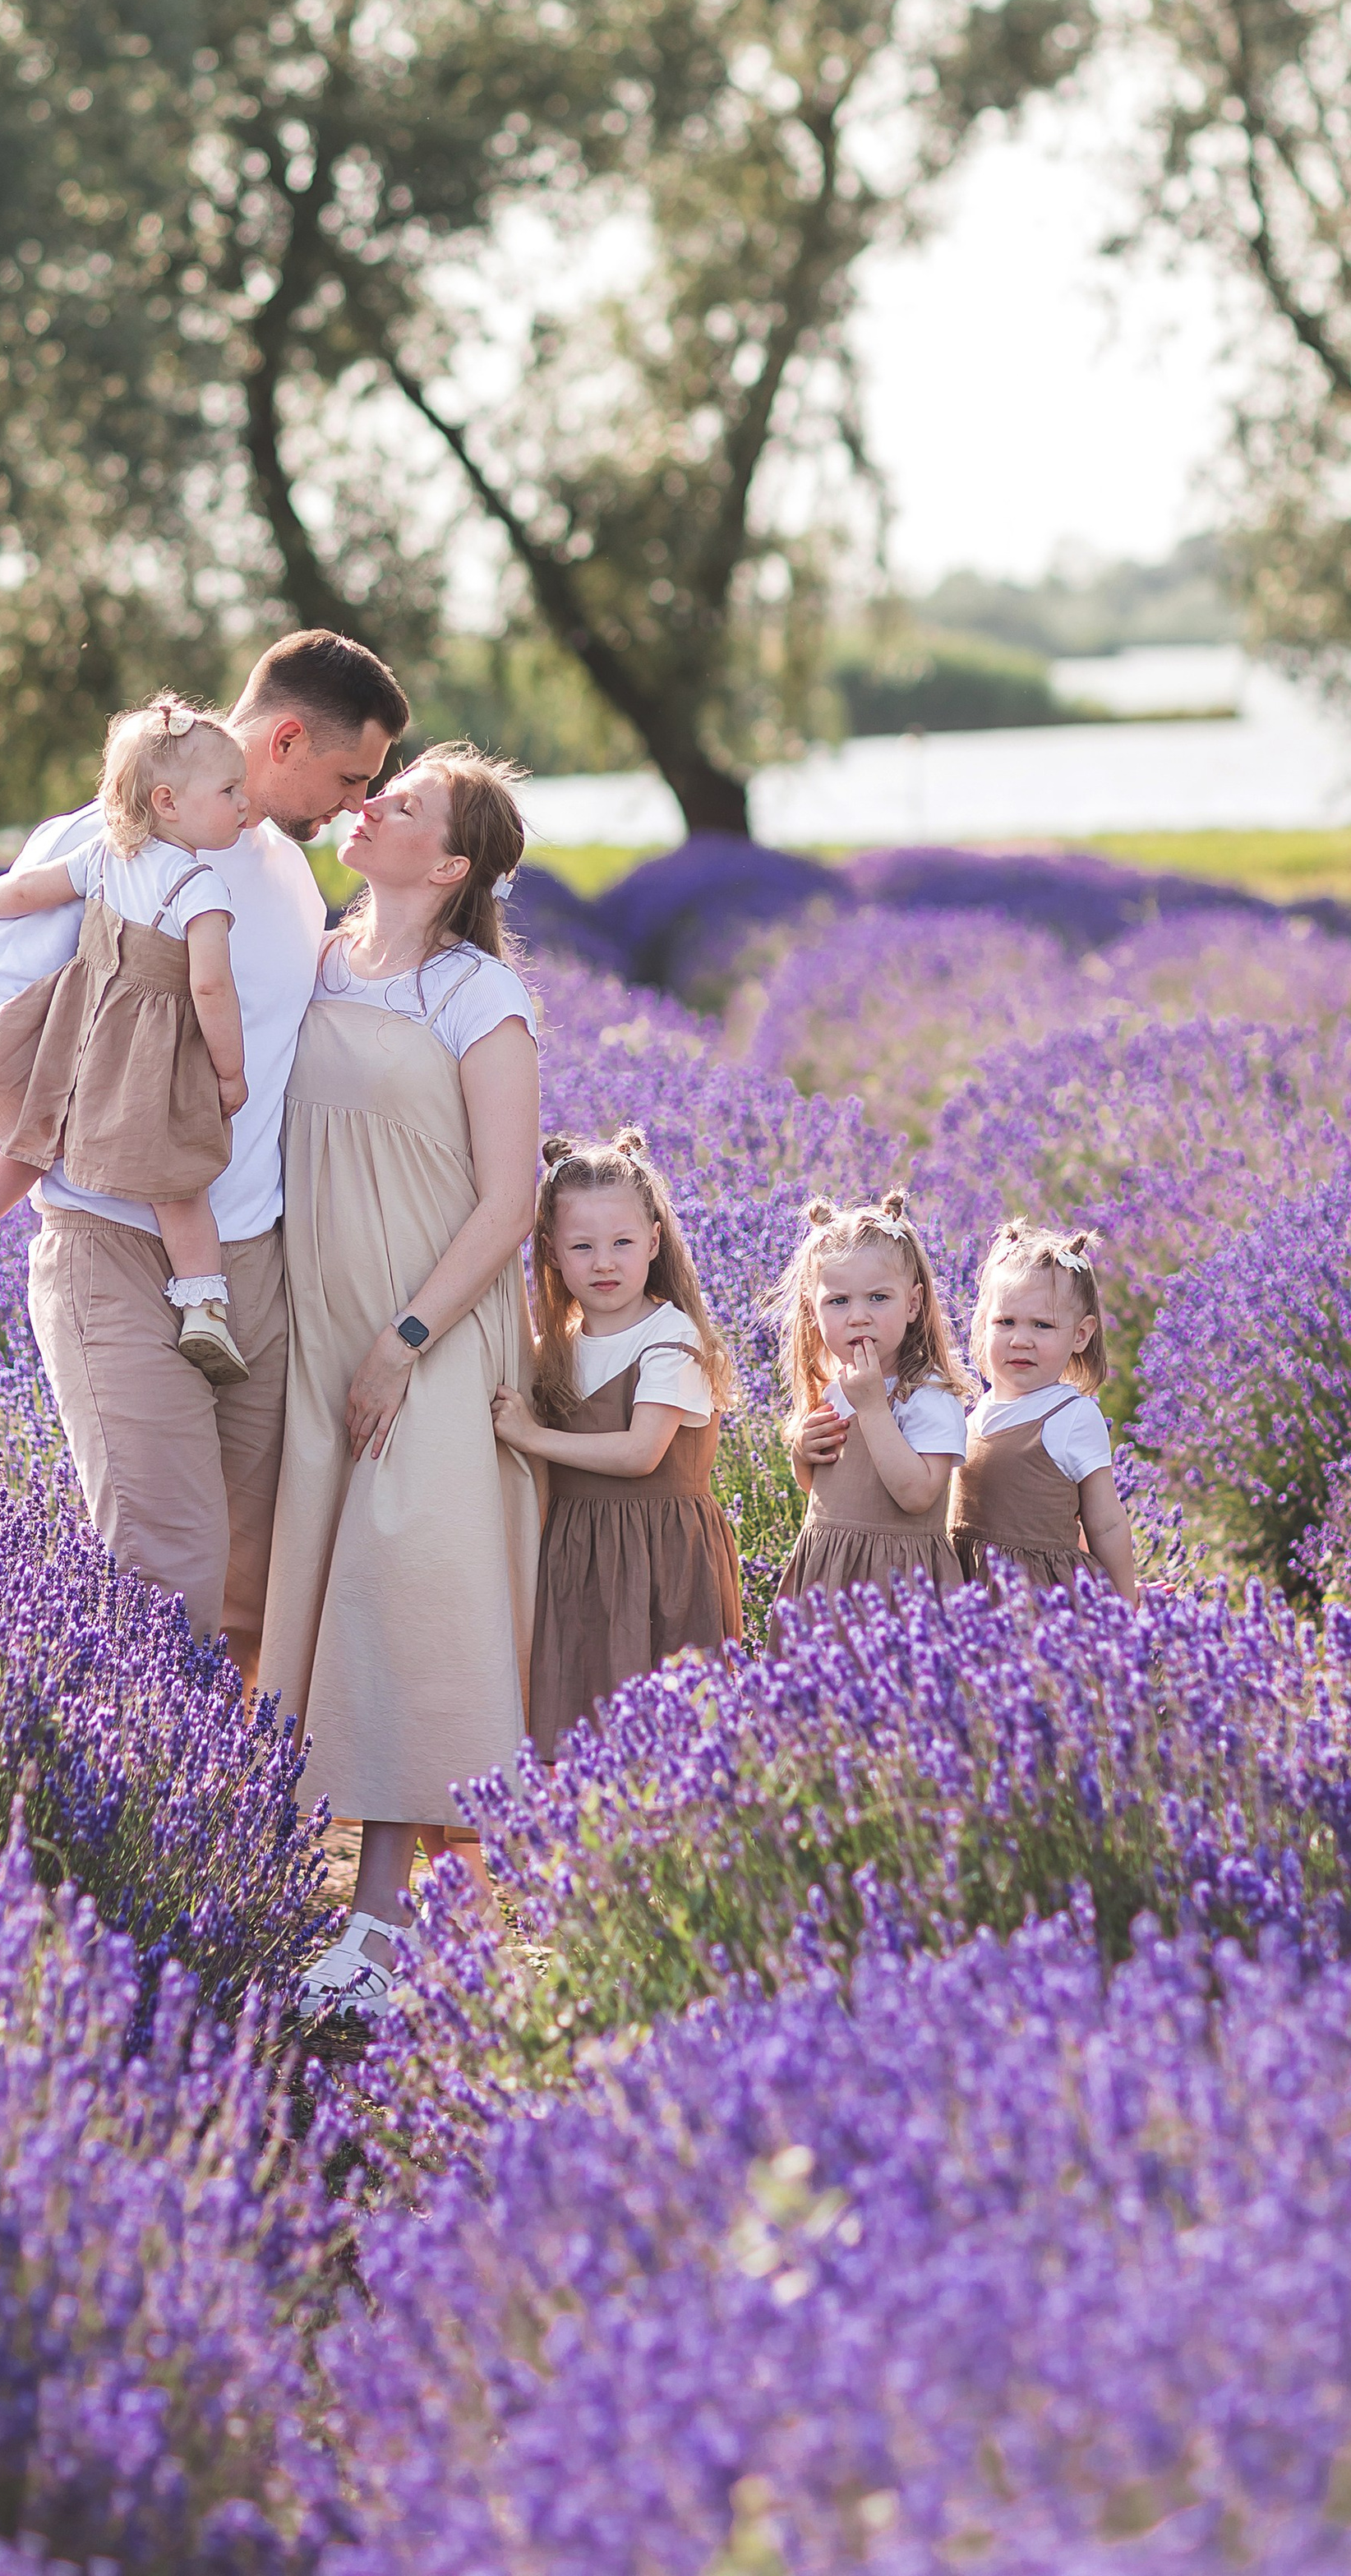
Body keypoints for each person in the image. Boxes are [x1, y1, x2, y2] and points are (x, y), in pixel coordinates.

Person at [0, 629, 408, 1674]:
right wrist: (107, 1167)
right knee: (166, 1570)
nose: (355, 805)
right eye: (349, 776)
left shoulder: (286, 873)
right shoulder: (97, 842)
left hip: (257, 1268)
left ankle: (228, 1825)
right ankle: (148, 1817)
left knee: (259, 1578)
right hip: (114, 1255)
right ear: (286, 736)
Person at [262, 742, 542, 2021]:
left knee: (399, 1595)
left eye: (408, 801)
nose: (373, 805)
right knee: (336, 1600)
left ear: (453, 862)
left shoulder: (476, 994)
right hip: (318, 1326)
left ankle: (376, 1930)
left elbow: (511, 1200)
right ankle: (441, 1919)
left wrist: (406, 1339)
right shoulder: (314, 956)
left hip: (428, 1336)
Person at [0, 694, 252, 1382]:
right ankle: (204, 1310)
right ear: (168, 801)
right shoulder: (200, 887)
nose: (244, 804)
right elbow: (213, 991)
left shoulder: (103, 857)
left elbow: (24, 890)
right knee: (178, 1178)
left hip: (78, 1028)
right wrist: (230, 1072)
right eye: (229, 791)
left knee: (35, 1136)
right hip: (148, 1049)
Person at [491, 1125, 741, 1763]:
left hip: (661, 1560)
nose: (604, 1262)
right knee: (578, 1725)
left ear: (654, 1241)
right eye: (583, 1246)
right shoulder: (556, 1350)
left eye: (623, 1243)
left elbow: (640, 1454)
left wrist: (530, 1435)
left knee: (668, 1739)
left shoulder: (670, 1334)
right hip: (579, 1555)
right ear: (550, 1252)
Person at [772, 1193, 973, 1617]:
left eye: (878, 1298)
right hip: (828, 1577)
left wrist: (873, 1409)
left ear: (913, 1303)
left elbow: (918, 1495)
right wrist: (802, 1453)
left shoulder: (927, 1395)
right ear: (813, 1310)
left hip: (896, 1587)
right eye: (838, 1301)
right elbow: (820, 1491)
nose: (858, 1316)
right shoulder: (834, 1389)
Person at [950, 1221, 1137, 1606]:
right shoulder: (974, 1414)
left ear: (1080, 1335)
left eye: (1042, 1325)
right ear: (984, 1326)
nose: (1021, 1339)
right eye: (1006, 1322)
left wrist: (1125, 1601)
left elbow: (1105, 1523)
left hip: (1038, 1600)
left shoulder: (1072, 1417)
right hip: (968, 1590)